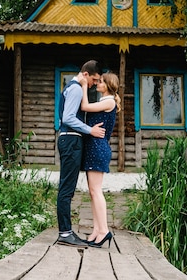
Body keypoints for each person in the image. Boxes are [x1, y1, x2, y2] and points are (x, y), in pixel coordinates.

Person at [56, 60, 106, 247]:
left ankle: (66, 231)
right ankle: (65, 233)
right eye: (94, 79)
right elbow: (68, 117)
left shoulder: (73, 87)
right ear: (85, 75)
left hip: (70, 139)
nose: (94, 83)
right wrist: (90, 130)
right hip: (70, 139)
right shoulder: (76, 89)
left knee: (67, 187)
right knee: (67, 189)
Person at [78, 71, 121, 248]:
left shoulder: (109, 101)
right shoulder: (105, 101)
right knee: (93, 192)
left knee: (96, 191)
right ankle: (97, 230)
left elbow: (85, 107)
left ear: (108, 85)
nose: (97, 84)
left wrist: (82, 86)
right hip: (94, 148)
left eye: (101, 82)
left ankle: (104, 231)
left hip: (98, 148)